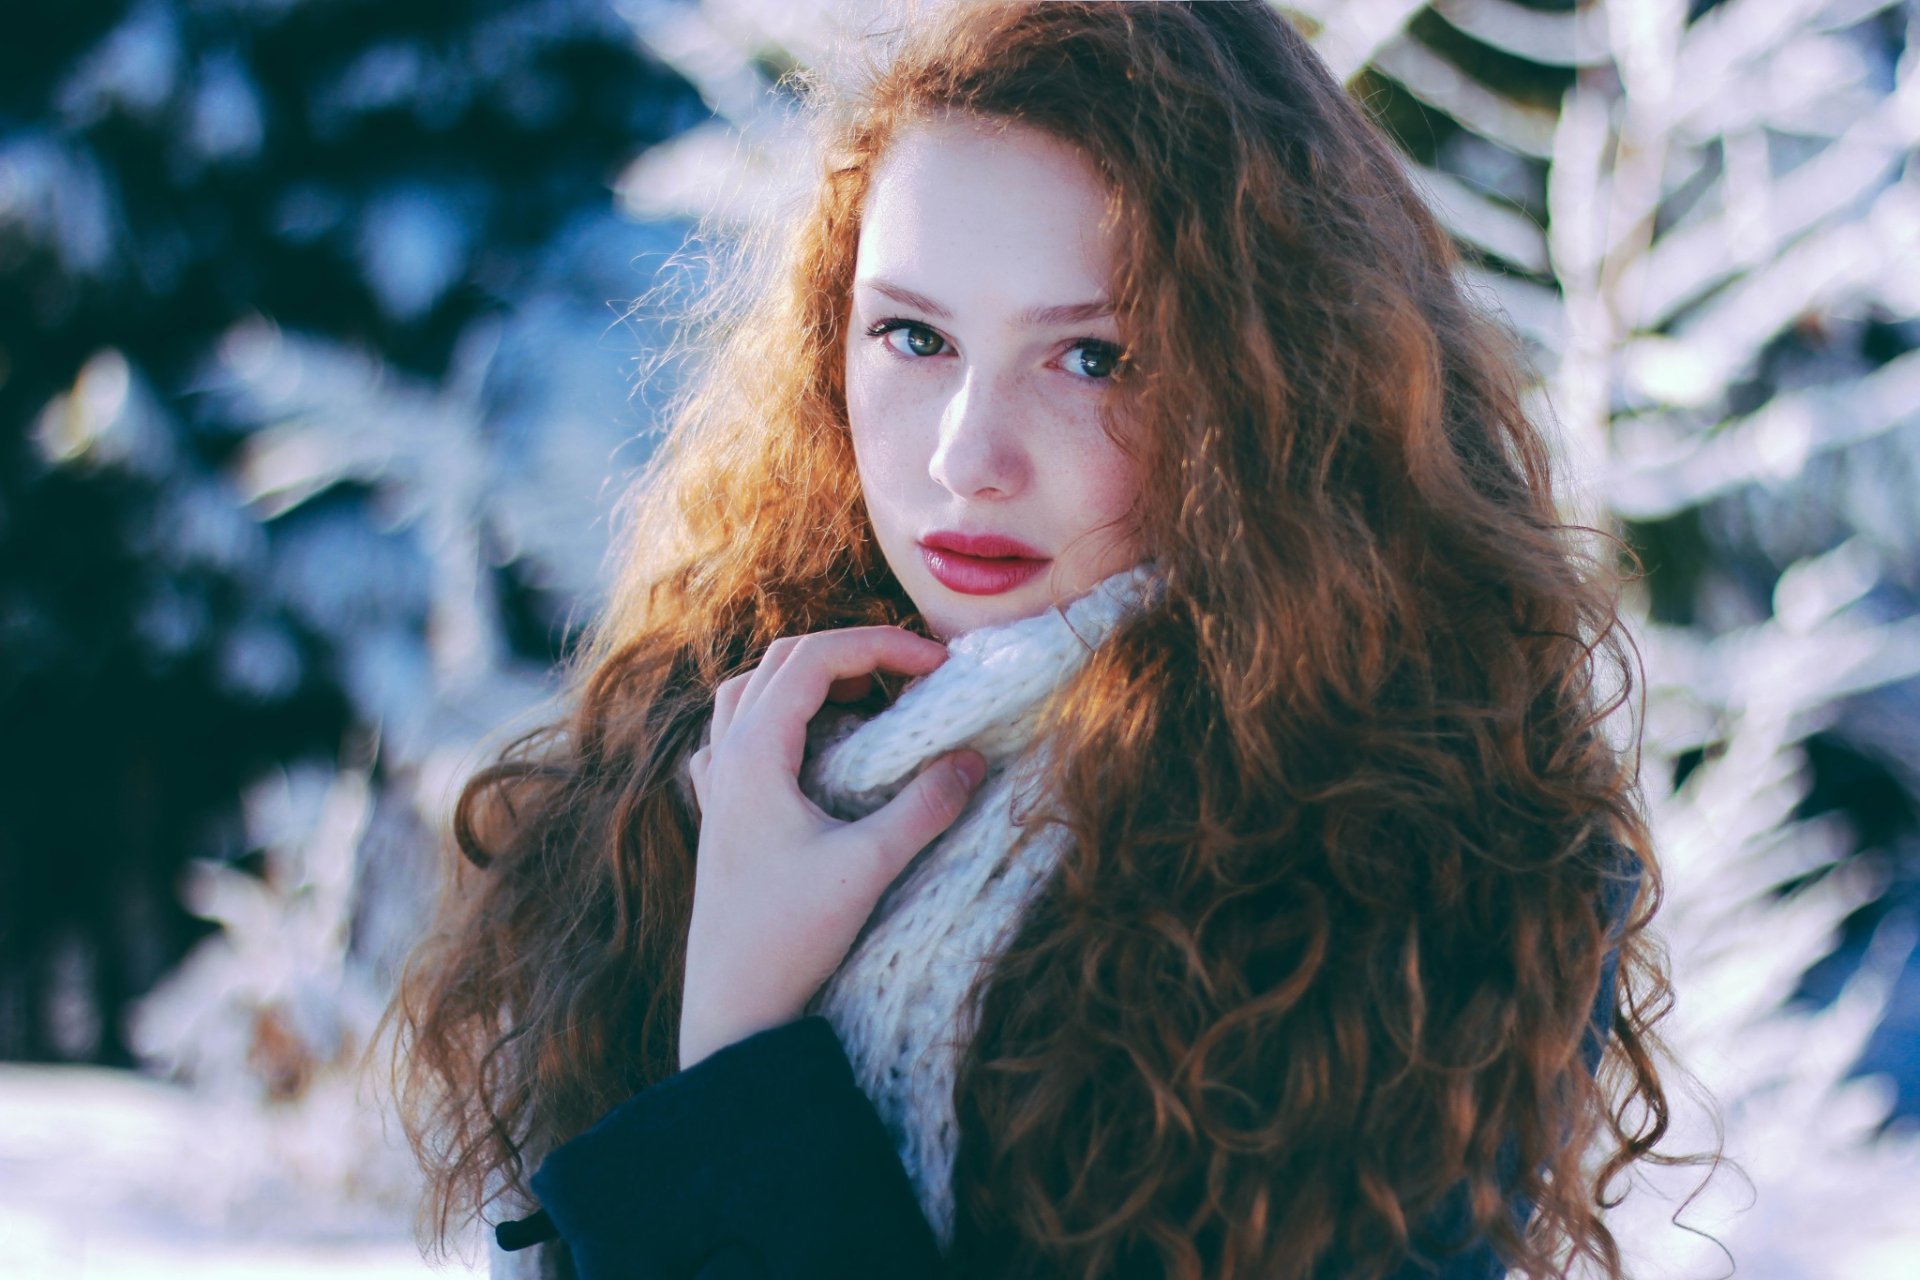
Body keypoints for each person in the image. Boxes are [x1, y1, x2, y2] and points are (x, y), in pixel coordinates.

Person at [388, 3, 1674, 1278]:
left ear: (1281, 384)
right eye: (913, 336)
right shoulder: (691, 765)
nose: (966, 459)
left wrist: (737, 1046)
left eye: (1095, 358)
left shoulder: (1419, 872)